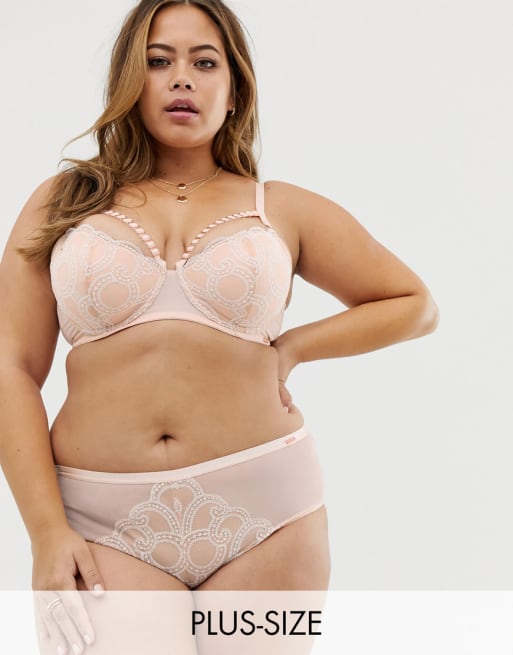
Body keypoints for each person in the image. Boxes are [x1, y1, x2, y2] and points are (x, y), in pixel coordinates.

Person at [0, 0, 438, 652]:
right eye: (158, 61)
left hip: (270, 520)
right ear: (129, 82)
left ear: (234, 92)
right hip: (100, 525)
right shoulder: (63, 203)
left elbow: (413, 303)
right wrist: (44, 532)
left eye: (205, 63)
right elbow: (11, 367)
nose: (182, 77)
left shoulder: (280, 207)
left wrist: (294, 347)